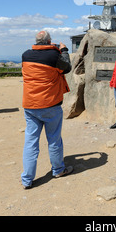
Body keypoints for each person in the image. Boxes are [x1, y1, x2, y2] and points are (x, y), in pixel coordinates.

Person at [21, 30, 73, 189]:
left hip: (30, 105)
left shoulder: (25, 55)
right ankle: (58, 170)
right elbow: (66, 68)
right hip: (50, 104)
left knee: (30, 142)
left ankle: (27, 179)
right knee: (54, 139)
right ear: (49, 41)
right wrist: (63, 50)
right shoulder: (53, 55)